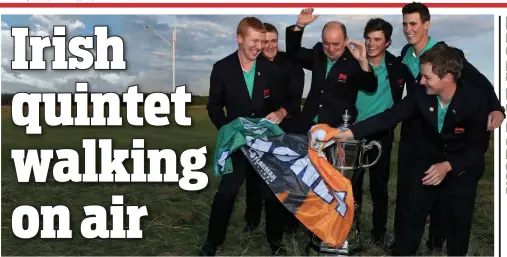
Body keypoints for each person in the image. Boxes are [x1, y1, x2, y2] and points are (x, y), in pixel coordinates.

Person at [332, 44, 491, 256]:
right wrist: (349, 133)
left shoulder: (475, 101)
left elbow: (477, 148)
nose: (421, 81)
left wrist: (448, 166)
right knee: (411, 222)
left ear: (447, 77)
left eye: (427, 77)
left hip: (461, 171)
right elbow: (389, 116)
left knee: (458, 228)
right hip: (426, 167)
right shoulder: (420, 95)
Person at [392, 2, 505, 252]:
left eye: (413, 23)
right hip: (413, 132)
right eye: (404, 24)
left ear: (426, 24)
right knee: (408, 190)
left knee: (442, 192)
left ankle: (435, 242)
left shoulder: (447, 55)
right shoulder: (404, 54)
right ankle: (403, 242)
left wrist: (497, 107)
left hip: (440, 134)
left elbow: (480, 82)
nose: (408, 29)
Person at [200, 16, 288, 256]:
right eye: (253, 40)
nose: (258, 46)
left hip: (264, 145)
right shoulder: (222, 68)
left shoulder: (271, 71)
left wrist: (281, 112)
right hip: (237, 144)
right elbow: (214, 106)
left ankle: (275, 243)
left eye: (261, 41)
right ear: (239, 38)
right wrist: (227, 129)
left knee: (271, 195)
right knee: (227, 192)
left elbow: (285, 103)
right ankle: (212, 243)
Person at [353, 18, 413, 247]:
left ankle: (378, 235)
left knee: (379, 188)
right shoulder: (354, 62)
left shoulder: (398, 68)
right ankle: (352, 231)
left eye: (377, 39)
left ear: (387, 43)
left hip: (382, 136)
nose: (371, 43)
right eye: (368, 38)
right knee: (352, 187)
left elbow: (419, 90)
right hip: (353, 135)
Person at [243, 22, 305, 235]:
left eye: (273, 41)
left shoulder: (292, 63)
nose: (268, 46)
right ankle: (251, 220)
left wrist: (282, 112)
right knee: (254, 175)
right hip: (259, 129)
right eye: (264, 41)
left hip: (288, 126)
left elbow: (296, 98)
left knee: (287, 178)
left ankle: (288, 223)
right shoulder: (253, 64)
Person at [284, 8, 378, 133]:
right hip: (308, 125)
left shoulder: (355, 60)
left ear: (345, 41)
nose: (331, 49)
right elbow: (293, 53)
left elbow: (370, 87)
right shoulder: (318, 53)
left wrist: (363, 62)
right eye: (326, 43)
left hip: (337, 129)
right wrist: (300, 26)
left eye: (336, 44)